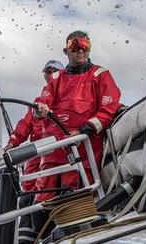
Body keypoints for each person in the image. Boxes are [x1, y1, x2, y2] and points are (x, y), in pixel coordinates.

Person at [21, 31, 121, 201]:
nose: (80, 51)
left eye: (84, 46)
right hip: (52, 154)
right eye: (74, 47)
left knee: (78, 198)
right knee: (42, 199)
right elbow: (43, 100)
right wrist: (40, 107)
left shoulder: (100, 75)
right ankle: (39, 227)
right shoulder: (55, 78)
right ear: (66, 51)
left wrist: (85, 130)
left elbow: (109, 107)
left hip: (84, 153)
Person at [7, 59, 65, 195]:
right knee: (29, 190)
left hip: (61, 150)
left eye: (55, 71)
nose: (51, 75)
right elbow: (25, 124)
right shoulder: (37, 104)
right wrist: (12, 142)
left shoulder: (70, 98)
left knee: (62, 184)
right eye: (48, 72)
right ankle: (31, 209)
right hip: (37, 153)